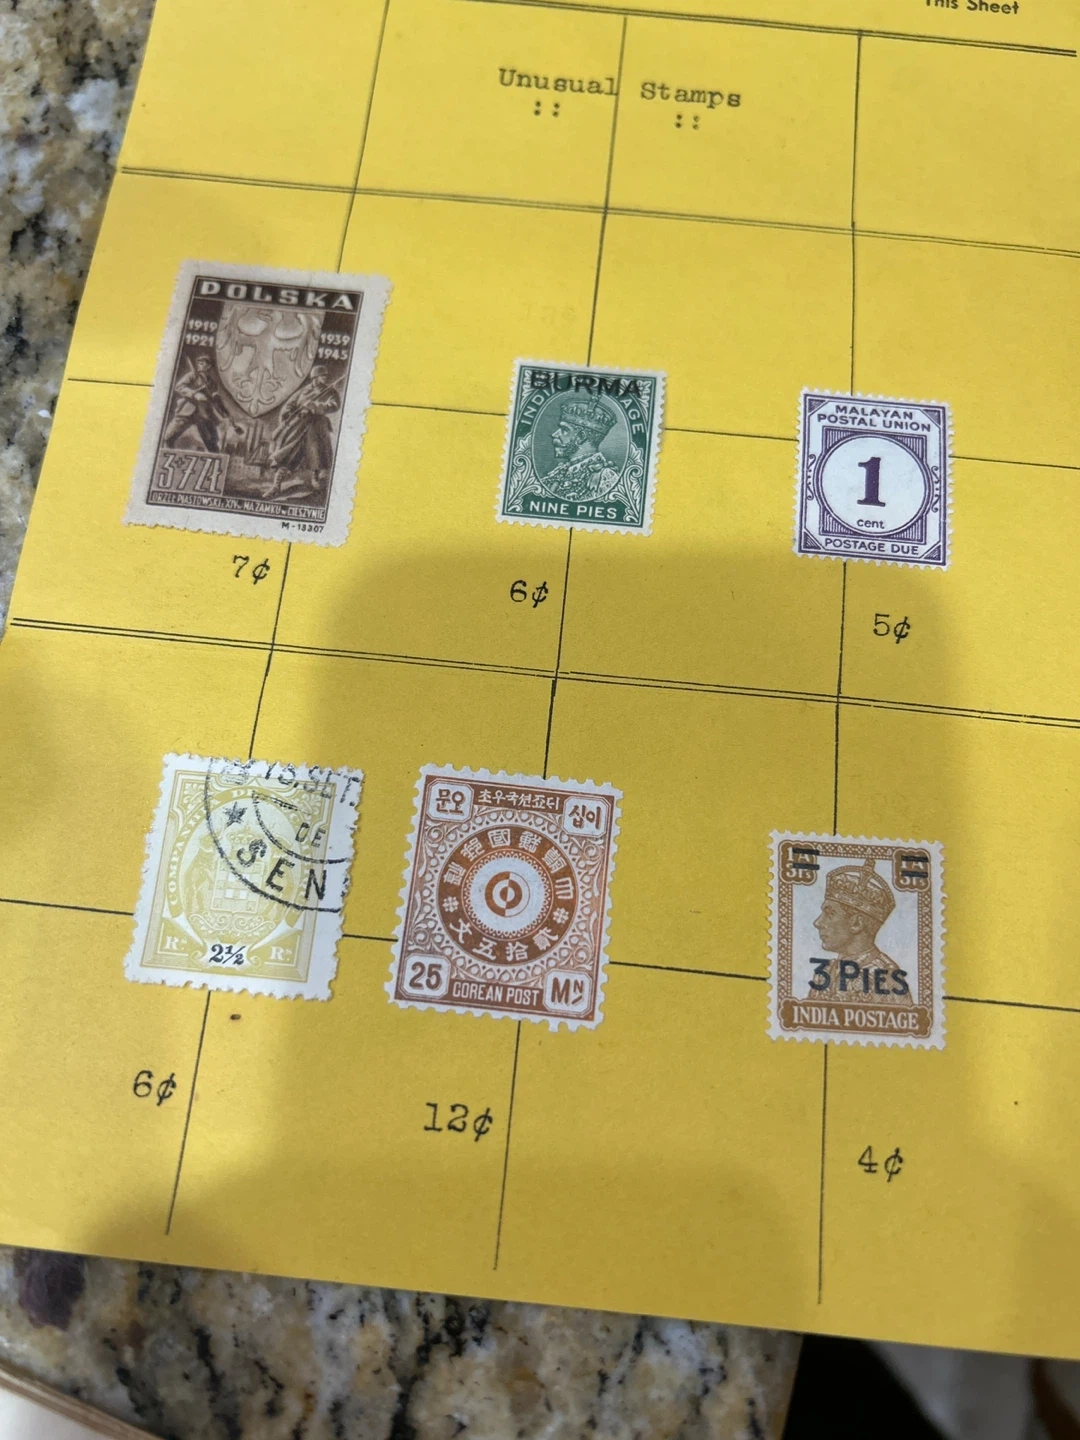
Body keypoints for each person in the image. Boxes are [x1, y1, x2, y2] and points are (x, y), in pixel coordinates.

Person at [810, 858, 913, 1005]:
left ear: (857, 923)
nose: (817, 923)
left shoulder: (888, 978)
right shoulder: (825, 972)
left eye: (829, 914)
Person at [266, 363, 341, 498]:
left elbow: (334, 405)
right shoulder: (303, 391)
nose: (325, 378)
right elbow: (289, 405)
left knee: (317, 456)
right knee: (286, 455)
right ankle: (276, 486)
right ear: (315, 377)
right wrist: (288, 415)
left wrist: (316, 406)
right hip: (299, 427)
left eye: (325, 376)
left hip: (317, 427)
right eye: (322, 375)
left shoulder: (330, 391)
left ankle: (316, 480)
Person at [539, 397, 621, 502]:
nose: (554, 434)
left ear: (581, 437)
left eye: (564, 430)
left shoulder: (605, 477)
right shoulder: (558, 473)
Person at [163, 354, 231, 452]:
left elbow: (216, 400)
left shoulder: (212, 384)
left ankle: (214, 458)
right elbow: (179, 387)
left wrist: (225, 413)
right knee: (169, 437)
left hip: (203, 414)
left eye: (202, 363)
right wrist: (195, 394)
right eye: (198, 363)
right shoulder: (192, 376)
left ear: (209, 366)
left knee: (212, 442)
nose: (199, 365)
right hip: (187, 411)